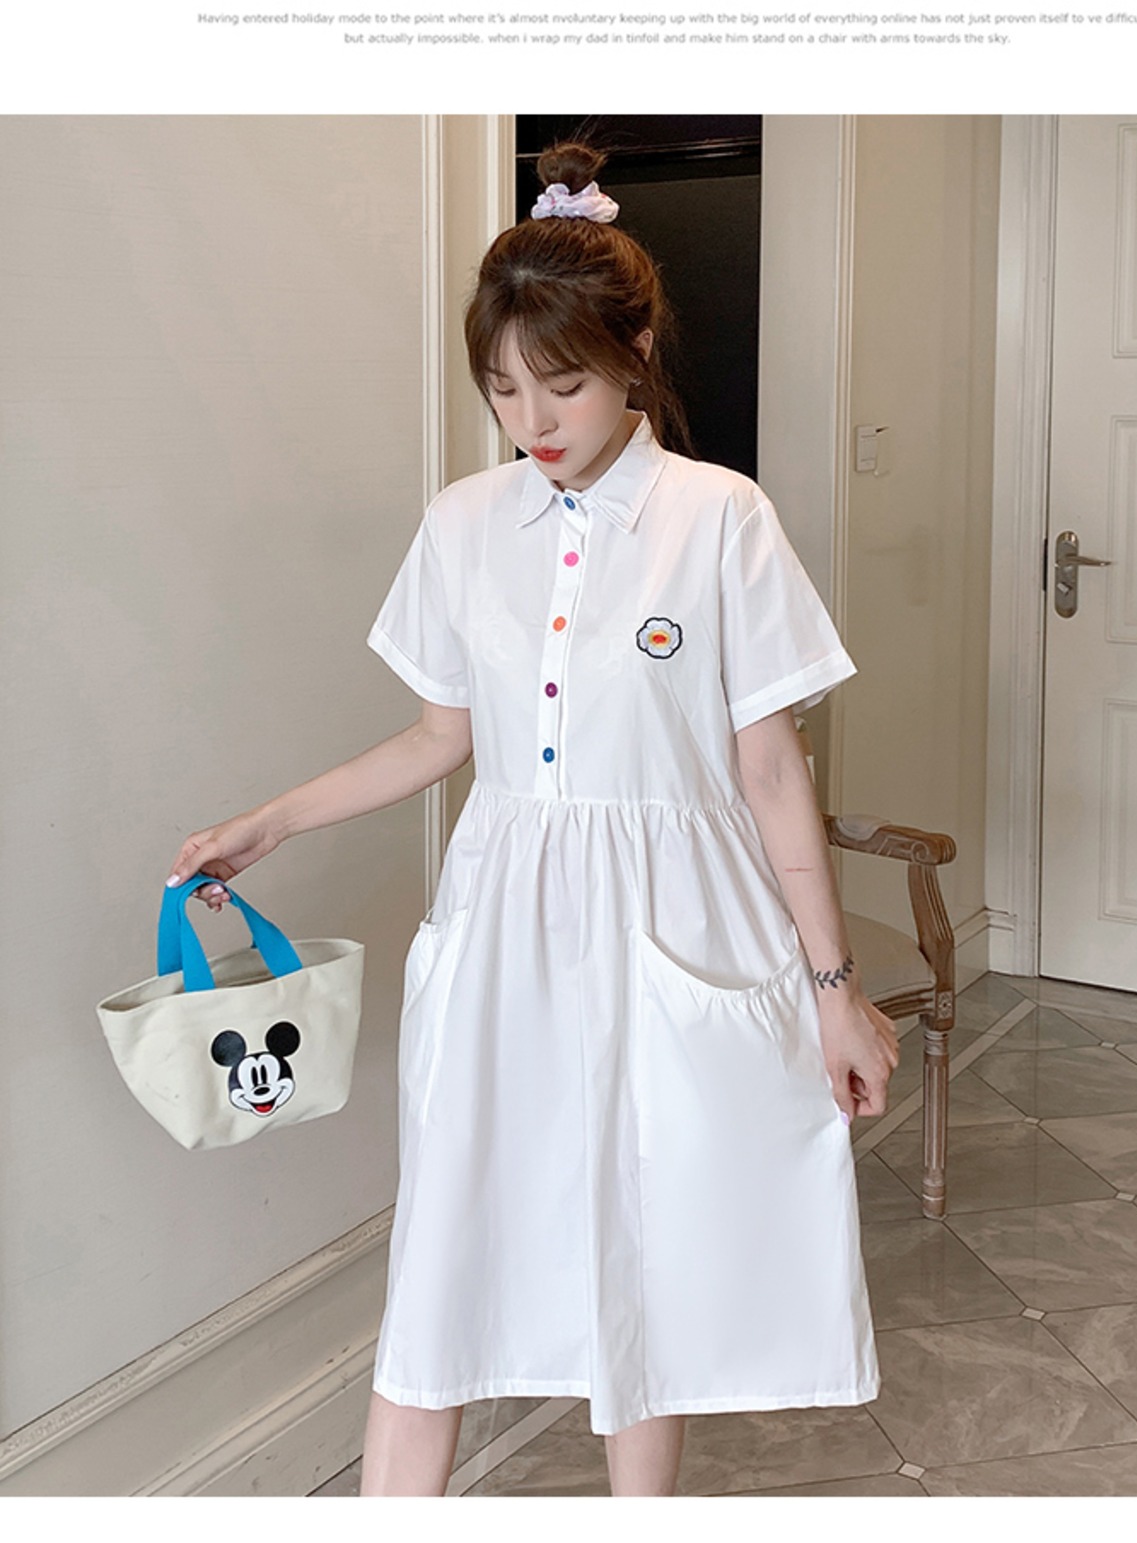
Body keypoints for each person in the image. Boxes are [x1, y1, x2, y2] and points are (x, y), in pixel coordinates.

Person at [166, 140, 900, 1498]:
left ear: (634, 356)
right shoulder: (463, 524)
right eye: (504, 389)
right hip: (503, 924)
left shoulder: (720, 518)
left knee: (653, 1256)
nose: (533, 420)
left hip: (679, 923)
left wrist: (834, 989)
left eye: (561, 383)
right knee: (448, 1254)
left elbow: (770, 773)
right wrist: (274, 821)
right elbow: (440, 738)